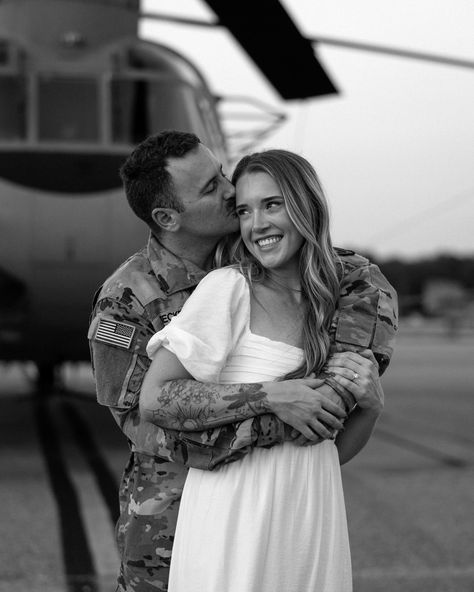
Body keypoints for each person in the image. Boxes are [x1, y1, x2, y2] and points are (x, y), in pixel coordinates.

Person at [88, 132, 397, 592]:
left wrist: (335, 414)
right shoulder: (128, 298)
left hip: (284, 504)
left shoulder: (289, 267)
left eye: (223, 175)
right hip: (169, 508)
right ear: (168, 217)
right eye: (212, 188)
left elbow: (337, 404)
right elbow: (146, 419)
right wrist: (277, 411)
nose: (232, 193)